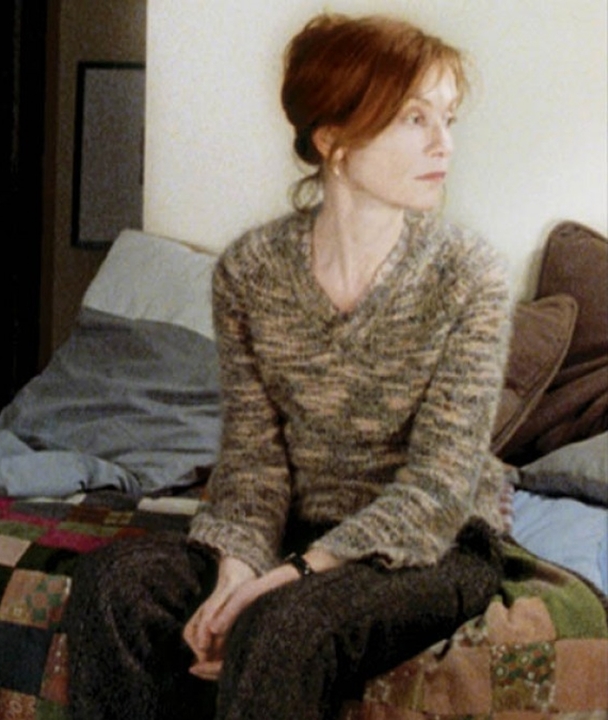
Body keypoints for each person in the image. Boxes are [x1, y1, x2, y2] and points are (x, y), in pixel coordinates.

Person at [64, 13, 513, 720]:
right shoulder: (250, 271)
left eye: (447, 118)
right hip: (298, 529)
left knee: (283, 628)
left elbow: (439, 487)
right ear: (333, 139)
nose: (443, 144)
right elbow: (253, 463)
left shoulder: (468, 276)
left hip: (436, 544)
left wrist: (287, 579)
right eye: (414, 118)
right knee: (113, 584)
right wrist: (235, 572)